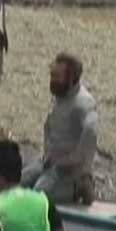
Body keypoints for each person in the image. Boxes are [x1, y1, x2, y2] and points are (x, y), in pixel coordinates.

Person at [21, 52, 99, 203]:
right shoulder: (61, 95)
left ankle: (80, 186)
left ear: (71, 78)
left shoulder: (83, 103)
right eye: (52, 75)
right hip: (49, 162)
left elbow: (91, 132)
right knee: (16, 186)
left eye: (57, 77)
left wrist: (80, 166)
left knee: (38, 196)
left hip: (69, 170)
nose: (53, 80)